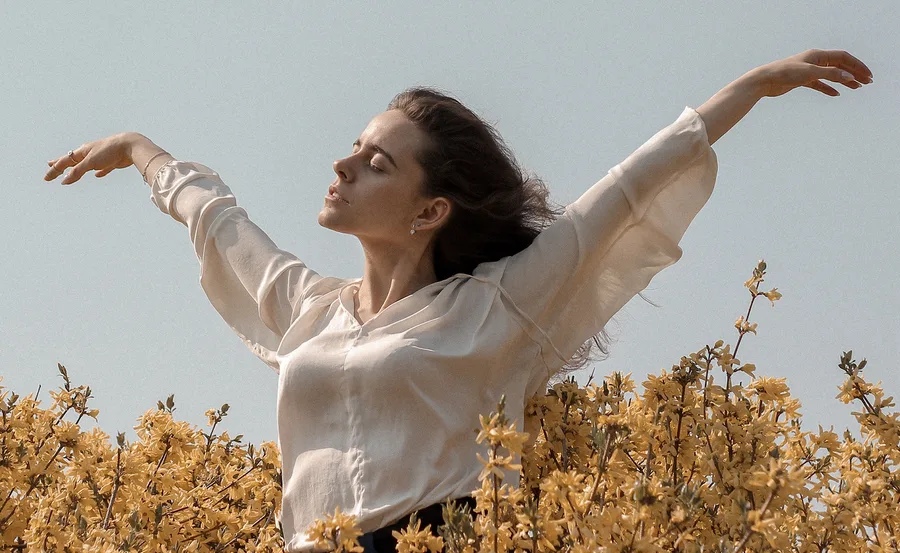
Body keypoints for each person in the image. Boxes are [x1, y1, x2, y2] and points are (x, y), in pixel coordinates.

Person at [43, 48, 871, 553]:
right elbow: (220, 222)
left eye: (376, 163)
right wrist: (141, 150)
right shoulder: (310, 309)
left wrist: (753, 87)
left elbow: (621, 194)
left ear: (429, 211)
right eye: (355, 147)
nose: (342, 165)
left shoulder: (495, 306)